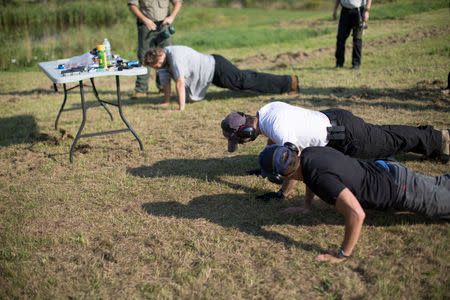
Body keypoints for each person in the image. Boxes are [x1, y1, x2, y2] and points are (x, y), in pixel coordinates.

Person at [258, 144, 450, 263]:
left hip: (400, 188)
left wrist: (342, 254)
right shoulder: (308, 154)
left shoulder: (320, 179)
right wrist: (307, 205)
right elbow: (308, 178)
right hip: (390, 170)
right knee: (442, 184)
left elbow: (356, 215)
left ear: (281, 176)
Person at [221, 101, 449, 162]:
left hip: (343, 134)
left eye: (239, 140)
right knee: (382, 134)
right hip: (333, 119)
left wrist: (282, 191)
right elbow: (273, 139)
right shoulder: (267, 111)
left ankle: (439, 140)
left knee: (389, 141)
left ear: (248, 131)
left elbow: (293, 157)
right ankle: (432, 139)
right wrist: (264, 162)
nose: (242, 143)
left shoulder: (278, 128)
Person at [143, 46, 300, 111]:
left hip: (217, 67)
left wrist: (181, 108)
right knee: (245, 79)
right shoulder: (163, 63)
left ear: (161, 55)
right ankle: (287, 82)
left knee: (245, 81)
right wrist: (165, 101)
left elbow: (179, 81)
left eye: (156, 65)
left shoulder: (174, 56)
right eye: (154, 67)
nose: (157, 68)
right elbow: (166, 84)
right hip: (213, 71)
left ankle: (289, 82)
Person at [128, 0, 182, 99]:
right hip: (145, 25)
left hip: (164, 25)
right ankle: (141, 89)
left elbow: (178, 2)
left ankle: (163, 87)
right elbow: (132, 5)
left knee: (165, 56)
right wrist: (144, 19)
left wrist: (171, 17)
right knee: (144, 56)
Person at [333, 0, 372, 69]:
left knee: (357, 37)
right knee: (340, 38)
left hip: (358, 10)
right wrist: (335, 9)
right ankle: (339, 63)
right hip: (345, 11)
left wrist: (367, 11)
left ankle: (356, 64)